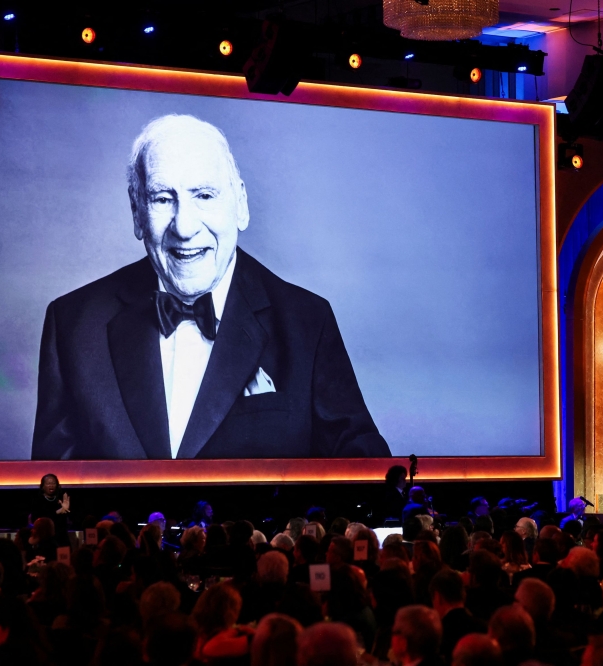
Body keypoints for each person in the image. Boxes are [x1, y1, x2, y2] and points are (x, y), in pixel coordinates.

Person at [31, 114, 391, 461]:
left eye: (203, 195)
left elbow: (364, 474)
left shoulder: (307, 322)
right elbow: (54, 492)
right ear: (136, 211)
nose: (184, 227)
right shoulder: (73, 325)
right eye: (161, 198)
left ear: (241, 204)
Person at [28, 474, 71, 544]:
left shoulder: (61, 500)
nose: (51, 485)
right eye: (48, 483)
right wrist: (57, 512)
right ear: (43, 486)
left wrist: (66, 511)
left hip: (61, 538)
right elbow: (37, 520)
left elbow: (67, 521)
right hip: (43, 539)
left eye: (53, 483)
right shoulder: (37, 500)